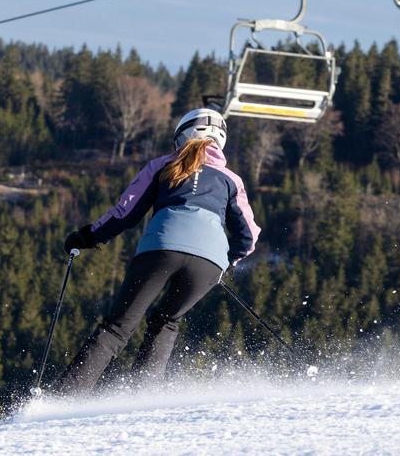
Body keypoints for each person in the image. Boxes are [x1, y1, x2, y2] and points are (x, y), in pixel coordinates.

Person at [54, 108, 261, 395]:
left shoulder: (162, 166)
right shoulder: (231, 180)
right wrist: (227, 262)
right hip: (208, 262)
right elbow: (248, 237)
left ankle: (65, 396)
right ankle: (143, 396)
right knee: (166, 321)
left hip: (160, 248)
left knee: (117, 328)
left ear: (181, 136)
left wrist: (86, 237)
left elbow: (124, 214)